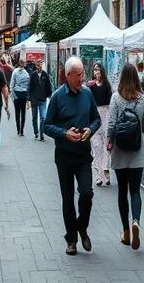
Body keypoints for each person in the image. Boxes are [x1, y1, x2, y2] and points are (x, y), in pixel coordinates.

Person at [43, 56, 101, 256]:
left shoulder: (87, 94)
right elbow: (47, 126)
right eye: (78, 75)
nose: (81, 78)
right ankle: (71, 240)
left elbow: (96, 119)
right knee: (67, 200)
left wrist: (90, 131)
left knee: (86, 194)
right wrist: (65, 133)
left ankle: (82, 226)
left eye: (82, 74)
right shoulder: (58, 96)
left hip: (84, 154)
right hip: (65, 155)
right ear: (68, 76)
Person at [107, 63, 144, 250]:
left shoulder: (115, 98)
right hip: (137, 152)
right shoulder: (143, 100)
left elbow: (111, 124)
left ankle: (125, 232)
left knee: (122, 191)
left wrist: (109, 141)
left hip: (119, 151)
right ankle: (136, 221)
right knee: (135, 191)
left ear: (122, 78)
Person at [88, 61, 112, 187]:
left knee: (106, 144)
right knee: (96, 145)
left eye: (98, 70)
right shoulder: (90, 86)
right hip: (95, 114)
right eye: (94, 70)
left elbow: (109, 102)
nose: (96, 72)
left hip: (105, 114)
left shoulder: (107, 85)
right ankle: (99, 173)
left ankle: (104, 170)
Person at [29, 58, 53, 141]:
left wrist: (49, 95)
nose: (39, 66)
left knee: (43, 117)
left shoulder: (45, 75)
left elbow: (48, 86)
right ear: (35, 66)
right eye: (37, 65)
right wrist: (29, 99)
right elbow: (30, 87)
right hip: (34, 100)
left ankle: (41, 133)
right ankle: (36, 132)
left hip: (42, 99)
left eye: (40, 65)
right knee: (34, 118)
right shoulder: (33, 75)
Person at [9, 59, 30, 136]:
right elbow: (28, 85)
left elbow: (12, 84)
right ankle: (22, 130)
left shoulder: (15, 72)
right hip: (23, 94)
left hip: (17, 94)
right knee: (23, 112)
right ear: (23, 65)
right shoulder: (26, 73)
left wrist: (12, 95)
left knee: (17, 112)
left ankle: (18, 129)